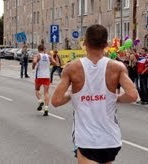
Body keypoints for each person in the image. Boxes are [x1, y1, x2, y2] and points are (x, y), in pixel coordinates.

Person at [51, 24, 138, 164]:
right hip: (111, 140)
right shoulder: (118, 67)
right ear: (106, 44)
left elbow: (56, 101)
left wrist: (73, 94)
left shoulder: (71, 68)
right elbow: (133, 95)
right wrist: (116, 98)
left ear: (85, 43)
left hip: (86, 140)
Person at [32, 44, 57, 116]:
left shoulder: (37, 55)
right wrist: (51, 58)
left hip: (39, 76)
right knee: (46, 92)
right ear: (44, 49)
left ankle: (40, 101)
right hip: (47, 76)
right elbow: (55, 63)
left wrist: (34, 66)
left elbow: (34, 61)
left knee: (37, 90)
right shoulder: (48, 56)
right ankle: (46, 108)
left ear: (38, 49)